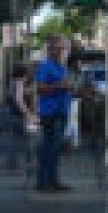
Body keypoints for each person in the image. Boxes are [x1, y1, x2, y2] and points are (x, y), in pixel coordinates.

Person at [35, 36, 74, 192]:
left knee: (56, 149)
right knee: (49, 148)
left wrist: (73, 89)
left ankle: (53, 180)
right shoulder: (45, 66)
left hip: (61, 111)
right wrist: (60, 85)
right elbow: (40, 88)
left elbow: (65, 86)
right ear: (50, 50)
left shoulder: (61, 67)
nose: (62, 52)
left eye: (63, 49)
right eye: (58, 49)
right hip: (50, 112)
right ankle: (43, 182)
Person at [5, 63, 33, 170]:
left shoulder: (12, 82)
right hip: (19, 114)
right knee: (27, 139)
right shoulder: (19, 83)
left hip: (12, 113)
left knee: (14, 138)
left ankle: (12, 161)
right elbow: (19, 100)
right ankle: (29, 161)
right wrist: (27, 113)